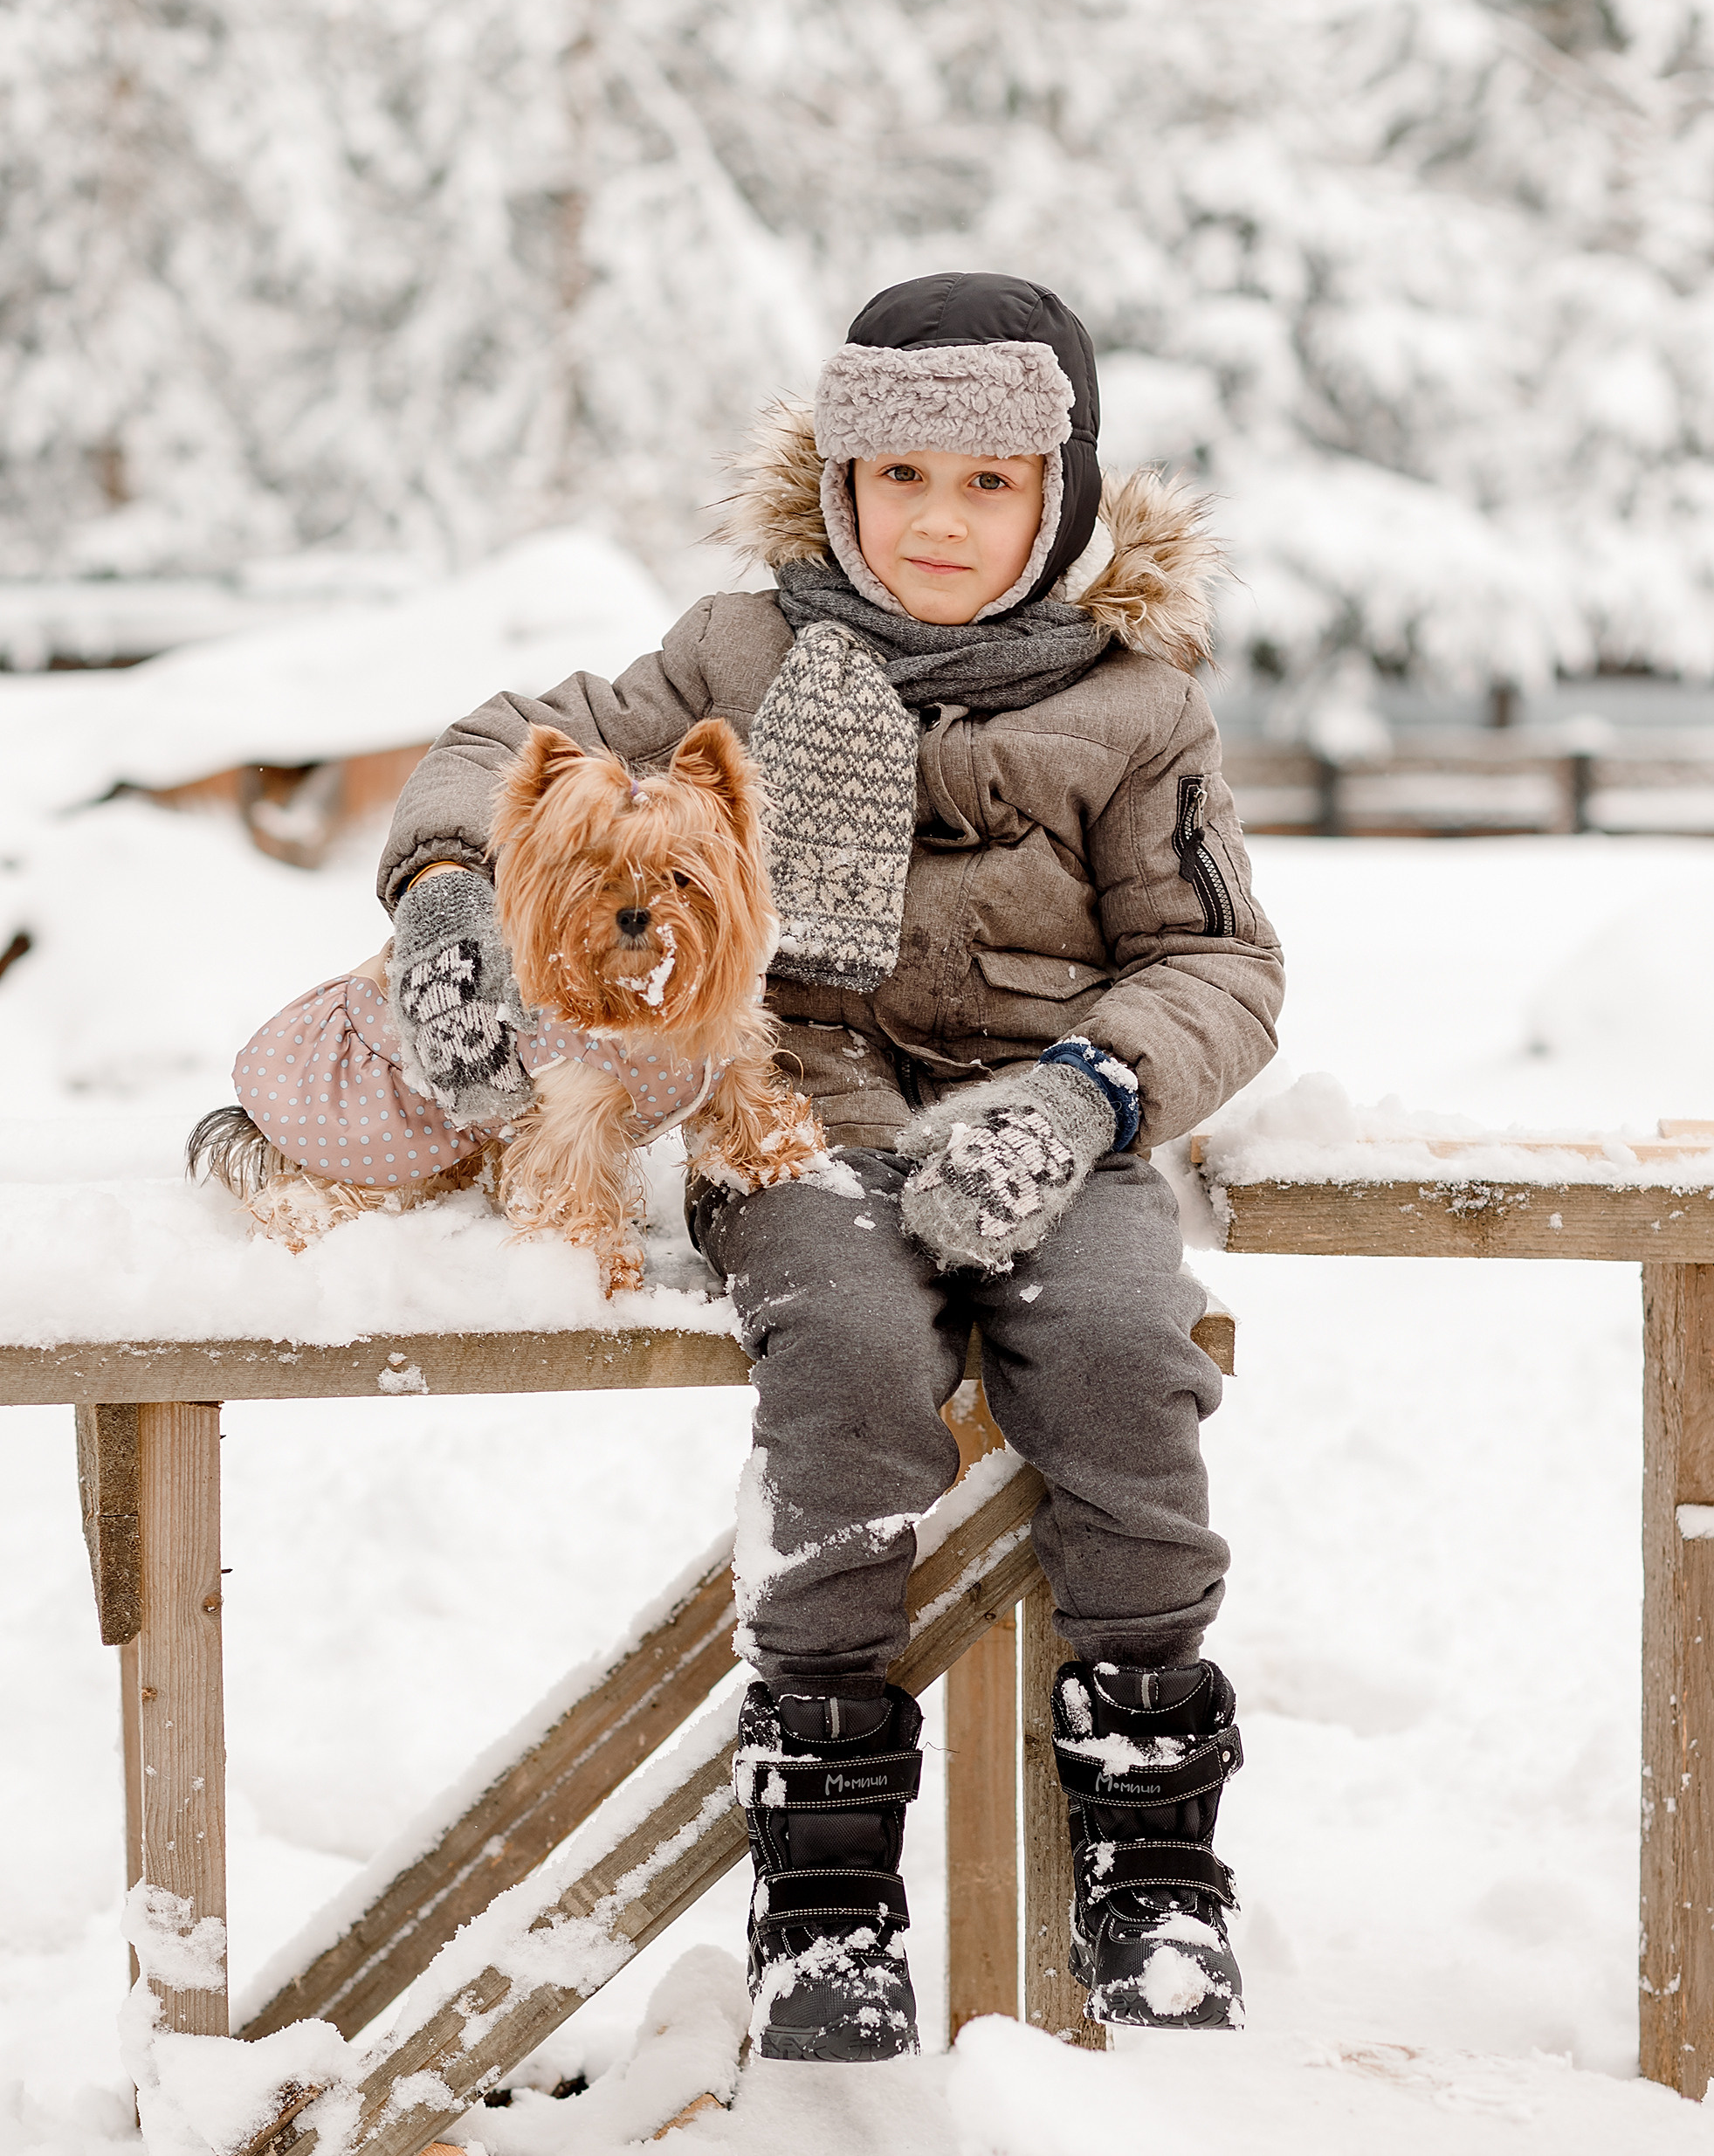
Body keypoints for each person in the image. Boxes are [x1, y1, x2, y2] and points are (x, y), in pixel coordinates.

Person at [377, 271, 1284, 2059]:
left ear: (1058, 499)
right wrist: (444, 888)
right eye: (899, 478)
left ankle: (1153, 1851)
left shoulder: (1136, 707)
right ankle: (826, 1886)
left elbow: (1218, 960)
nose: (938, 520)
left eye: (988, 483)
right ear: (840, 483)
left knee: (1124, 1357)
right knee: (852, 1364)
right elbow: (500, 746)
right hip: (788, 1106)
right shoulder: (737, 652)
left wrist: (1082, 1098)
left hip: (1045, 1124)